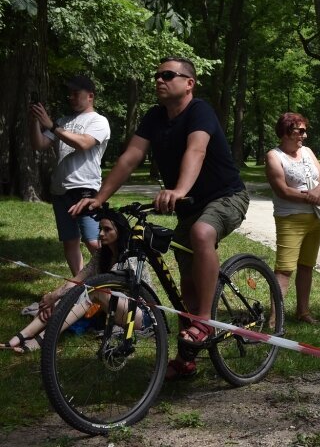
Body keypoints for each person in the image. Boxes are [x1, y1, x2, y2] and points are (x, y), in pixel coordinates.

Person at [70, 56, 249, 380]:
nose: (159, 80)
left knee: (202, 233)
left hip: (226, 197)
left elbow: (197, 150)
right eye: (157, 75)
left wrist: (178, 189)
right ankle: (186, 357)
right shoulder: (155, 117)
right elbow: (129, 158)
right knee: (186, 284)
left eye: (168, 75)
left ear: (188, 83)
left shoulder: (200, 111)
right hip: (190, 206)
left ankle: (205, 321)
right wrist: (99, 197)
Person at [2, 212, 145, 353]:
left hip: (137, 315)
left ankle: (41, 341)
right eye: (100, 229)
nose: (101, 233)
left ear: (120, 232)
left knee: (94, 292)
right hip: (109, 309)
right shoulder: (102, 254)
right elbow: (76, 280)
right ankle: (18, 337)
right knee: (69, 296)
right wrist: (53, 297)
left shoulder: (130, 257)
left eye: (107, 229)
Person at [28, 76, 111, 277]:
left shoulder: (99, 121)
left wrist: (52, 126)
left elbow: (83, 143)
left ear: (90, 96)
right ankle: (81, 288)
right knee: (70, 241)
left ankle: (111, 280)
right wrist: (35, 121)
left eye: (76, 94)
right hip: (60, 190)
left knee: (93, 240)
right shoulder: (63, 121)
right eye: (70, 94)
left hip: (85, 188)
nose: (71, 98)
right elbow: (39, 145)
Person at [265, 113, 320, 325]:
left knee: (306, 266)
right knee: (284, 269)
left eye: (304, 130)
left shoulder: (307, 152)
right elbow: (283, 190)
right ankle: (274, 319)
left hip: (315, 218)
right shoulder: (274, 156)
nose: (305, 134)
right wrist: (311, 197)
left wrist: (317, 193)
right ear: (286, 132)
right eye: (300, 131)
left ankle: (303, 312)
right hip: (290, 219)